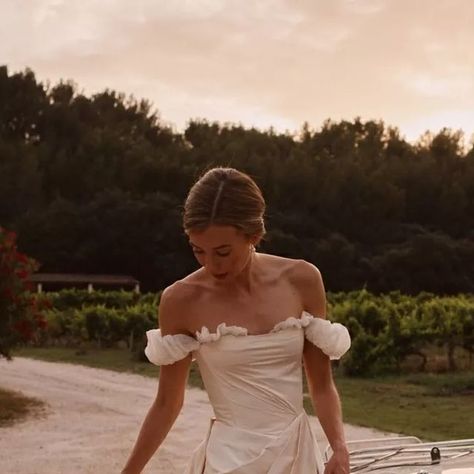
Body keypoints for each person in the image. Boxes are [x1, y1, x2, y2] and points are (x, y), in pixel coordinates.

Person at [121, 167, 351, 474]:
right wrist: (129, 472)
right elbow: (167, 404)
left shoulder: (301, 280)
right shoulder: (181, 300)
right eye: (198, 251)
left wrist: (339, 445)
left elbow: (321, 384)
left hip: (295, 457)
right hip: (228, 462)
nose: (211, 264)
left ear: (254, 234)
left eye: (223, 251)